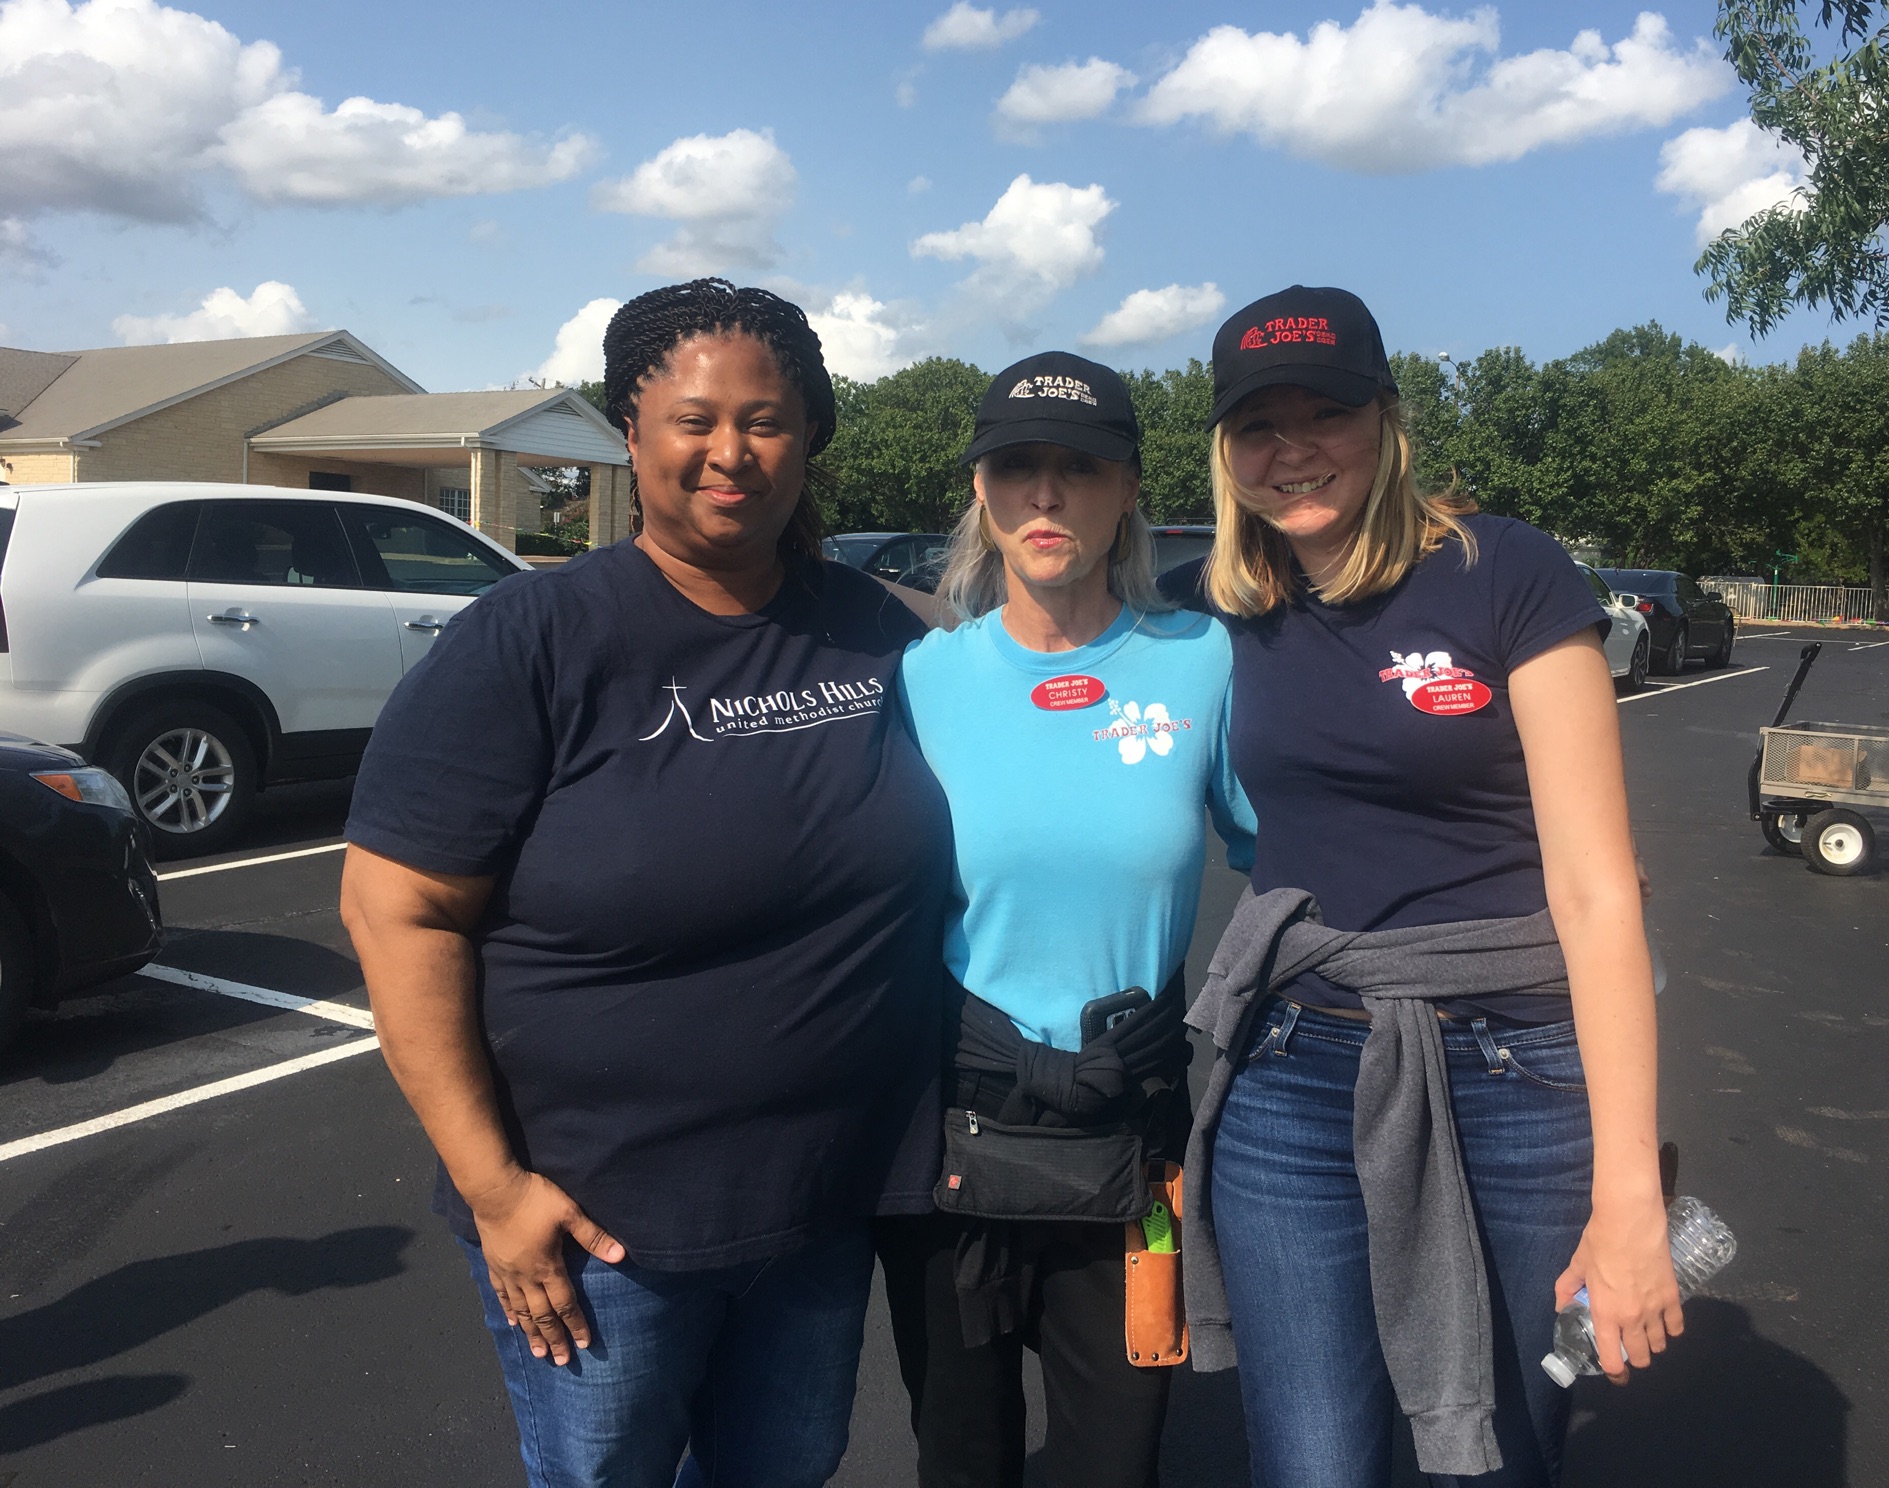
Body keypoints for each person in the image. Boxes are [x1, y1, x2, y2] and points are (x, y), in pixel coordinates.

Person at [337, 280, 953, 1488]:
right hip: (596, 1228)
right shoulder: (531, 639)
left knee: (783, 1470)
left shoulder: (881, 633)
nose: (730, 451)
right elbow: (395, 909)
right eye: (694, 418)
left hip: (821, 1205)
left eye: (767, 420)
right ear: (632, 431)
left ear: (810, 437)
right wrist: (494, 1187)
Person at [1178, 287, 1678, 1488]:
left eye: (1327, 412)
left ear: (1388, 421)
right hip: (1291, 1072)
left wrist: (1630, 1202)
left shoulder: (1504, 571)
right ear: (1223, 452)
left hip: (1513, 1074)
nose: (1291, 448)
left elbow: (1600, 894)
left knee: (1497, 1456)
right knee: (1311, 1465)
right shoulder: (1226, 612)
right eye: (1257, 425)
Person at [874, 352, 1257, 1488]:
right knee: (961, 1457)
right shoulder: (921, 676)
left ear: (1128, 487)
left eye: (1079, 470)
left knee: (1114, 1466)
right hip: (950, 1128)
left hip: (1127, 1139)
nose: (1047, 497)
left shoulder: (1200, 664)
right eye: (1019, 469)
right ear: (982, 494)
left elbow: (1295, 855)